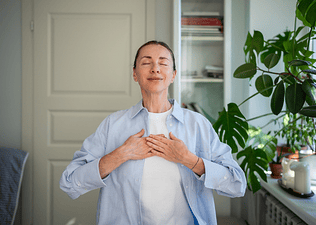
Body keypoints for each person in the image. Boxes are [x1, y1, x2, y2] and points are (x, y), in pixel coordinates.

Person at [60, 40, 246, 225]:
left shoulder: (198, 125)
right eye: (146, 62)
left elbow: (237, 185)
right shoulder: (112, 125)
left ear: (173, 75)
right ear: (135, 74)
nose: (155, 69)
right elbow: (70, 183)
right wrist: (121, 154)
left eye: (163, 63)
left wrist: (189, 159)